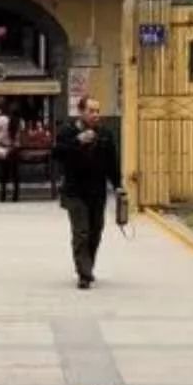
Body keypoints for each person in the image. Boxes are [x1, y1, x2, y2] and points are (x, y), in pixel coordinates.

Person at [53, 96, 122, 287]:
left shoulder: (105, 134)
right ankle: (84, 273)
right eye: (91, 111)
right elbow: (57, 153)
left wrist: (117, 185)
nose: (95, 115)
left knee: (95, 231)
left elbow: (112, 163)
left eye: (97, 111)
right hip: (75, 191)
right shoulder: (68, 131)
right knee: (81, 232)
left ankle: (88, 265)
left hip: (97, 192)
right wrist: (78, 141)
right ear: (81, 111)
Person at [0, 97, 21, 202]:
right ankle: (15, 195)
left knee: (3, 173)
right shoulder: (13, 119)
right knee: (14, 173)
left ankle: (3, 195)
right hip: (14, 148)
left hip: (1, 148)